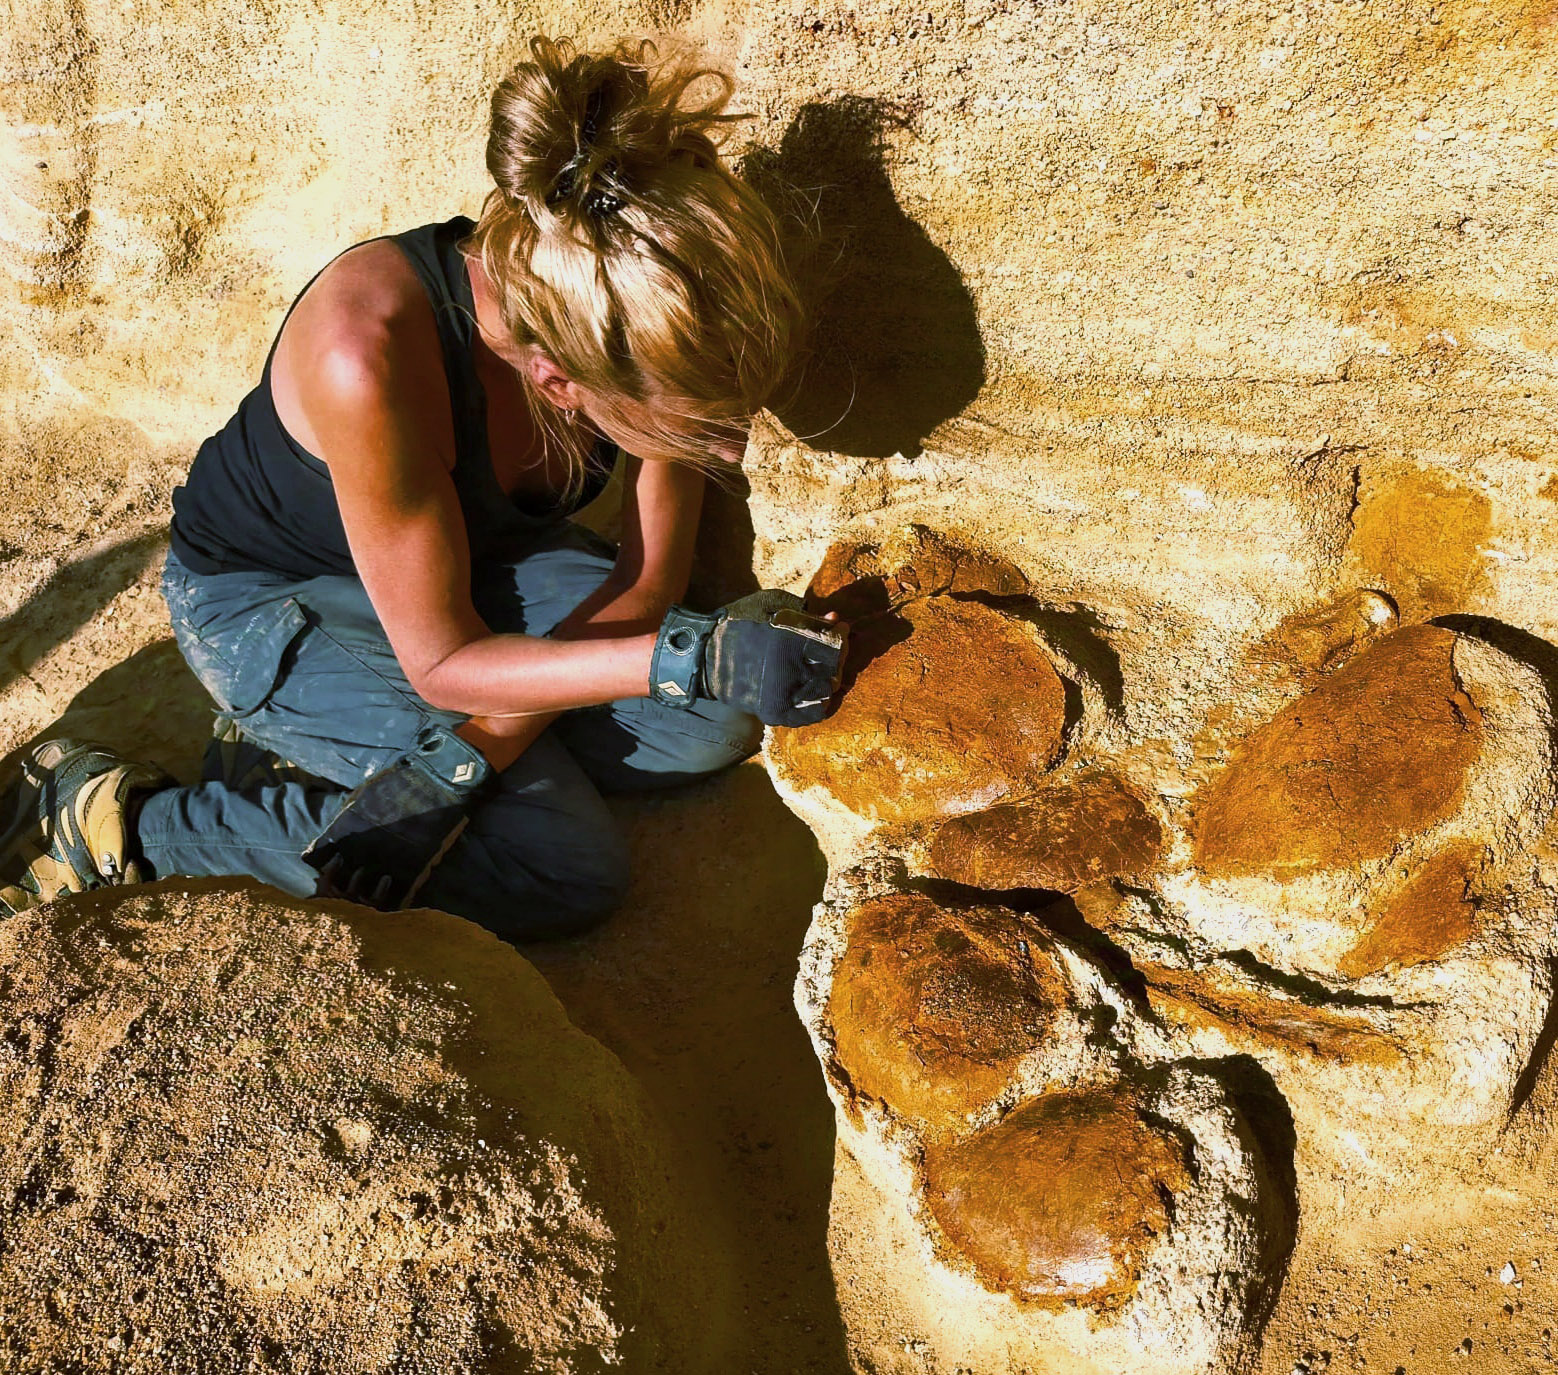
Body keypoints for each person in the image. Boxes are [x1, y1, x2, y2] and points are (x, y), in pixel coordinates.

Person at [0, 37, 845, 939]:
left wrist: (473, 752)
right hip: (270, 604)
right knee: (562, 866)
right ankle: (114, 820)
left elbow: (647, 587)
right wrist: (682, 660)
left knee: (711, 726)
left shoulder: (627, 309)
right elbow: (446, 663)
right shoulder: (364, 355)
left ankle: (328, 746)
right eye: (690, 428)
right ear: (559, 381)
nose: (723, 444)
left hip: (459, 578)